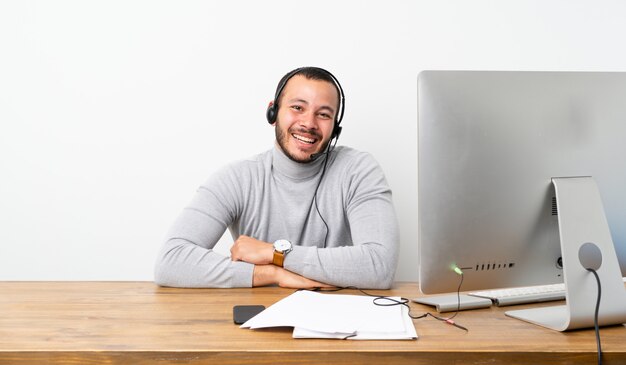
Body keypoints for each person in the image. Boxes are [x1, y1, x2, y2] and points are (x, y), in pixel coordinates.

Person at [154, 67, 399, 289]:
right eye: (297, 108)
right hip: (260, 320)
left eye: (323, 114)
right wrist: (273, 274)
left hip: (342, 323)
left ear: (335, 128)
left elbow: (380, 266)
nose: (309, 123)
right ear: (273, 112)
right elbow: (171, 261)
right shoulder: (237, 179)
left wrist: (274, 253)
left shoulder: (359, 170)